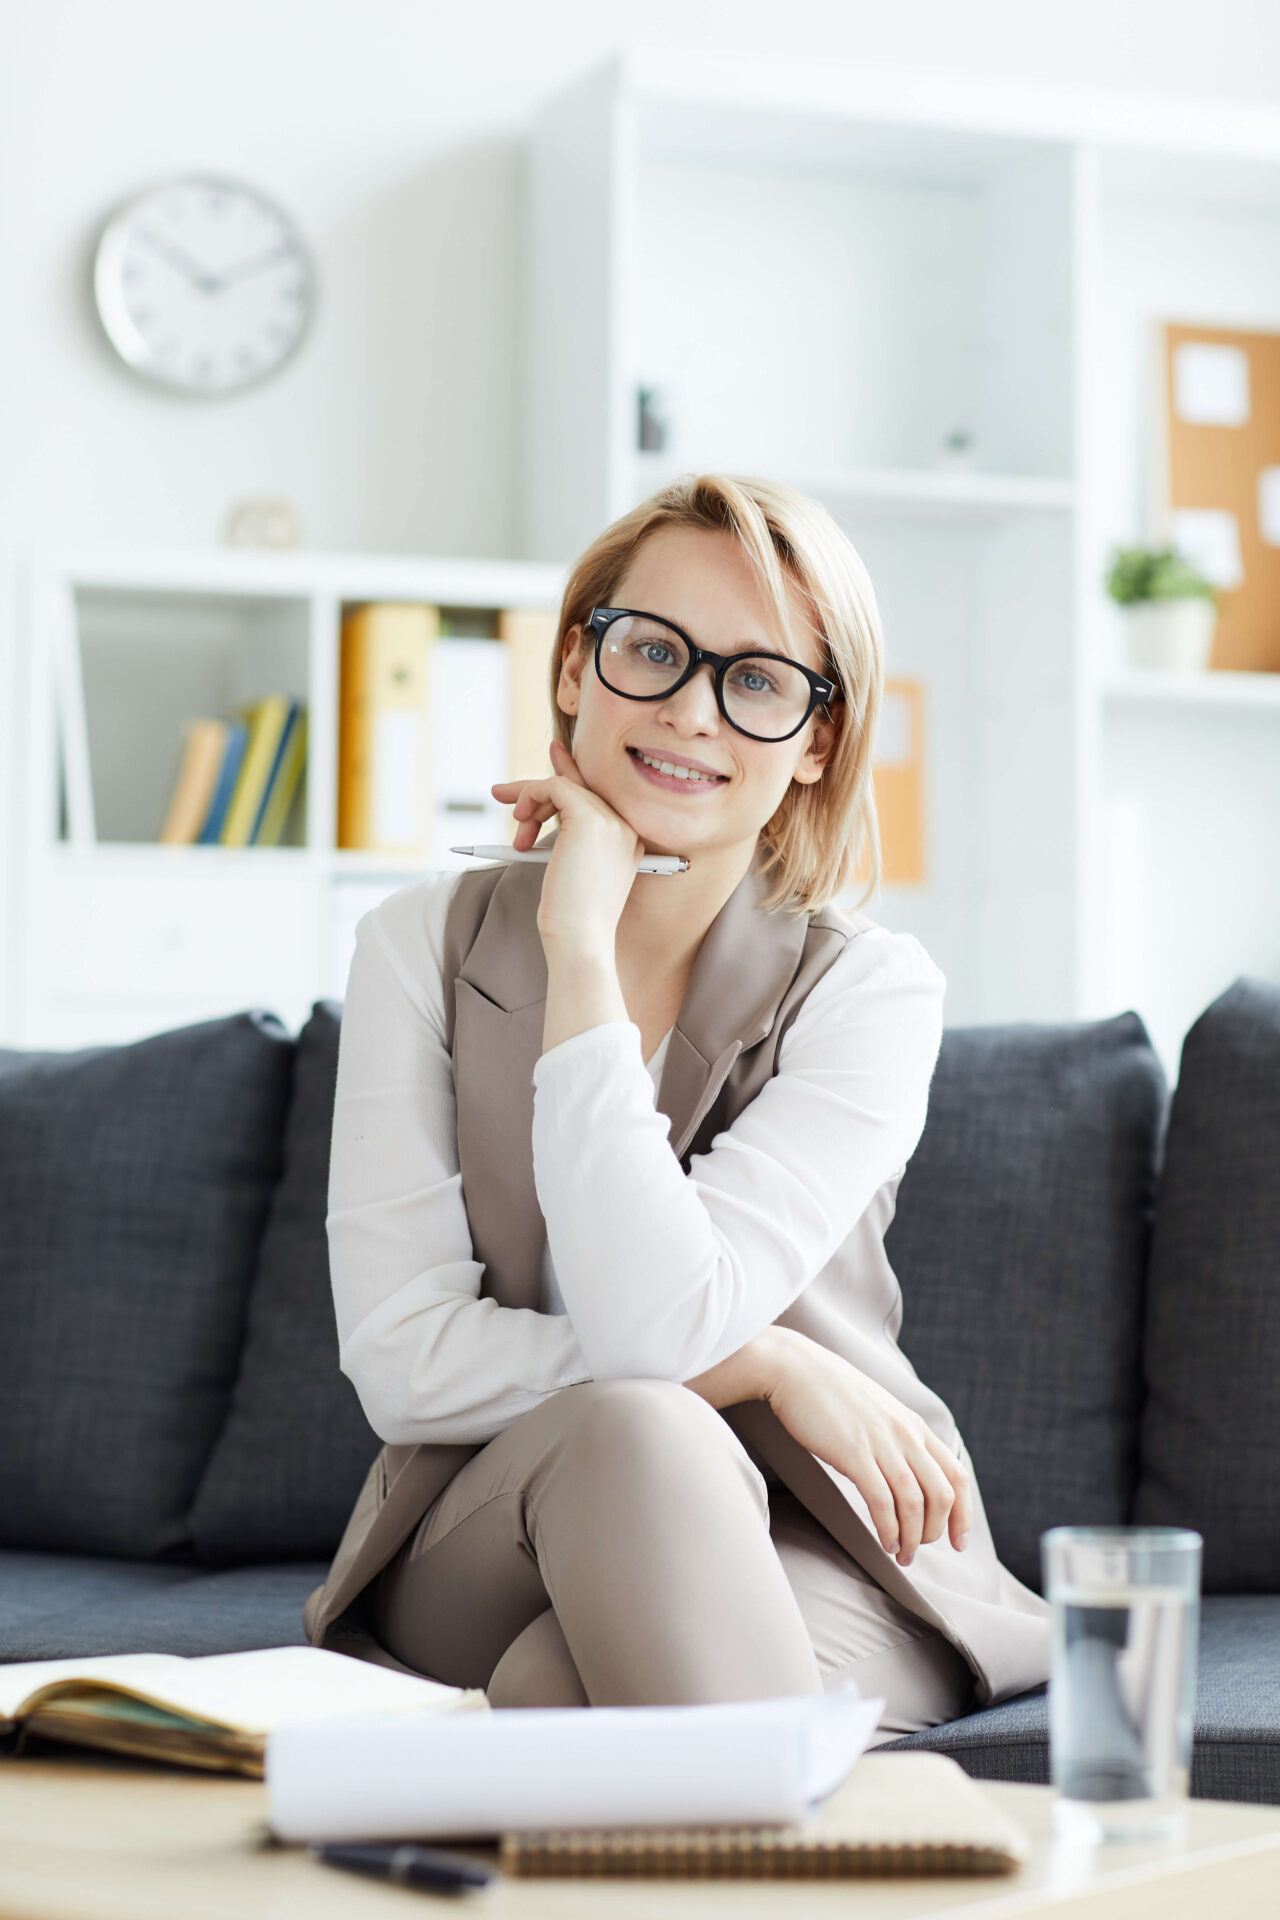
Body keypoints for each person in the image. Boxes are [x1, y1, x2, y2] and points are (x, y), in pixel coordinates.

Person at [305, 474, 1051, 1736]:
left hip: (822, 1535)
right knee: (639, 1435)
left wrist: (582, 963)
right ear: (572, 670)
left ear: (817, 739)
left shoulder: (868, 990)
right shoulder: (412, 947)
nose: (691, 712)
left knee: (560, 1687)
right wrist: (759, 1365)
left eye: (756, 680)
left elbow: (658, 1323)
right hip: (506, 1521)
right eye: (650, 651)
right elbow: (403, 1365)